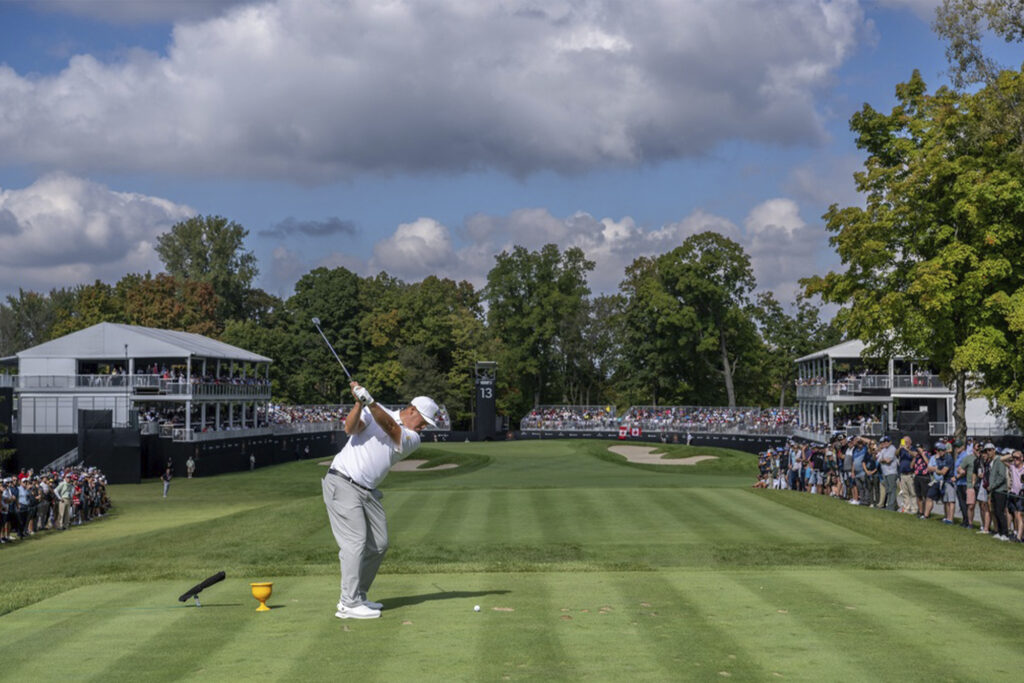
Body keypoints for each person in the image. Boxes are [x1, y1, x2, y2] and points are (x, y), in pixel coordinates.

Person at [323, 381, 440, 620]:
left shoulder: (412, 438)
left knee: (379, 543)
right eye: (424, 422)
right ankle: (348, 603)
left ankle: (359, 595)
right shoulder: (373, 409)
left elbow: (390, 428)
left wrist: (370, 402)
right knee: (355, 542)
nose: (424, 427)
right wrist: (359, 404)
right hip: (343, 481)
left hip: (368, 491)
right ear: (412, 411)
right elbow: (350, 429)